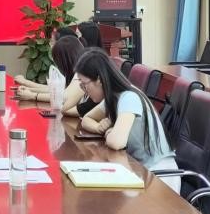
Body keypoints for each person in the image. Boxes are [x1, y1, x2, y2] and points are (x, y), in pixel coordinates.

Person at [75, 49, 180, 193]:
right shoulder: (114, 97)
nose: (84, 90)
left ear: (99, 79)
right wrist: (99, 127)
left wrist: (110, 131)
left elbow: (116, 142)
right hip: (139, 169)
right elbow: (87, 119)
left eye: (84, 84)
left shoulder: (128, 97)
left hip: (160, 175)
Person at [13, 36, 96, 116]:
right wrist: (29, 89)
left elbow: (63, 97)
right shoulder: (75, 73)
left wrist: (33, 96)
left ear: (64, 60)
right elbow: (55, 90)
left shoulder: (81, 74)